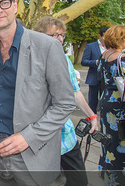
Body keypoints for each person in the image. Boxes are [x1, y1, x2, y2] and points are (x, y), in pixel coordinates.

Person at [0, 0, 76, 186]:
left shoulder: (48, 46)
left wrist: (28, 137)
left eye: (4, 2)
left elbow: (65, 103)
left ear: (15, 5)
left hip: (32, 156)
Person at [34, 16, 99, 186]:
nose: (60, 39)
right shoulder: (29, 59)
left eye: (61, 35)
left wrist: (92, 116)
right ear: (40, 36)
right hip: (38, 137)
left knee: (78, 181)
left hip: (65, 136)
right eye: (54, 35)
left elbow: (75, 93)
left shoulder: (65, 60)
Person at [98, 25, 125, 185]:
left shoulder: (104, 55)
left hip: (106, 102)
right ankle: (121, 180)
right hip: (120, 105)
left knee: (108, 141)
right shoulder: (124, 59)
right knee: (122, 143)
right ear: (120, 39)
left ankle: (110, 175)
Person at [81, 27, 108, 114]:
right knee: (92, 102)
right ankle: (91, 120)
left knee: (105, 101)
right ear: (100, 36)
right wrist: (96, 62)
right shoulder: (91, 46)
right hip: (94, 78)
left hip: (106, 79)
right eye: (104, 36)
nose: (106, 39)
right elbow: (83, 61)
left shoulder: (111, 46)